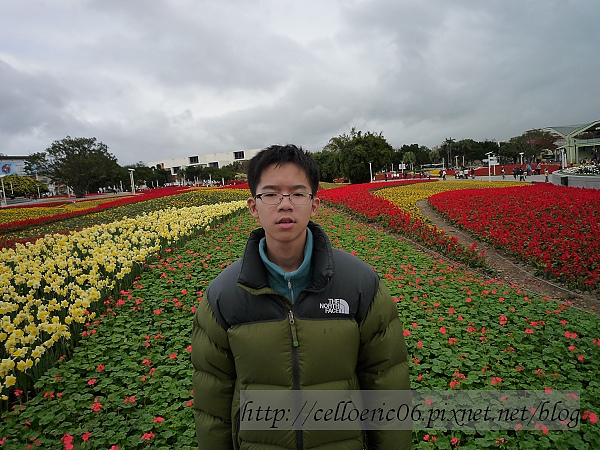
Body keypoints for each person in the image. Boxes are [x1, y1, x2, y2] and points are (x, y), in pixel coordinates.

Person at [191, 144, 411, 450]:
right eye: (270, 194)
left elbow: (386, 383)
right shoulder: (224, 296)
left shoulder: (360, 284)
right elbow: (212, 405)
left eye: (297, 193)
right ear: (254, 206)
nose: (285, 204)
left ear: (314, 204)